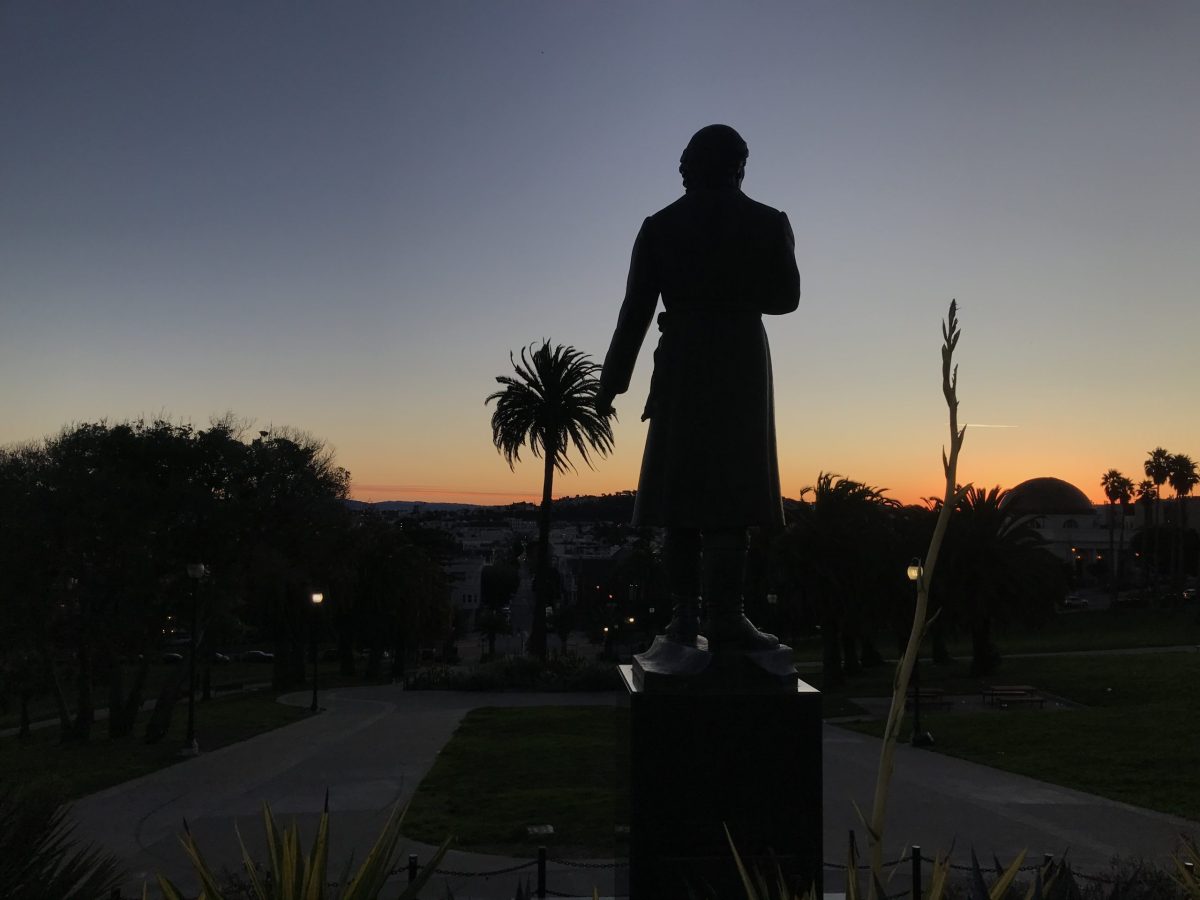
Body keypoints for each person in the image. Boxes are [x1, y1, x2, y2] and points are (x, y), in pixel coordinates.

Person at [596, 124, 800, 655]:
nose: (681, 169)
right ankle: (722, 617)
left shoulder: (661, 226)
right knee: (731, 495)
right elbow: (785, 298)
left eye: (685, 160)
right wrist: (733, 294)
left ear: (702, 163)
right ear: (739, 167)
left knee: (681, 496)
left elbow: (635, 312)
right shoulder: (767, 222)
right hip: (737, 358)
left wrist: (611, 382)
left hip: (685, 358)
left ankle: (689, 617)